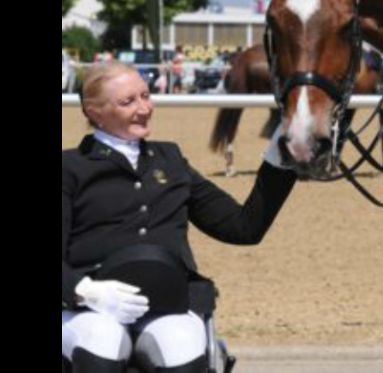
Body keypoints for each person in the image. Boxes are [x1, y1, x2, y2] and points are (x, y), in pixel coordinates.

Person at [62, 62, 295, 372]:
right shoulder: (69, 168)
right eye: (128, 101)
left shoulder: (171, 160)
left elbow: (243, 227)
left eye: (145, 96)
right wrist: (85, 291)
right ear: (94, 112)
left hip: (166, 303)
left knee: (180, 343)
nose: (144, 108)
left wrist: (282, 155)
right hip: (89, 306)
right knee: (101, 338)